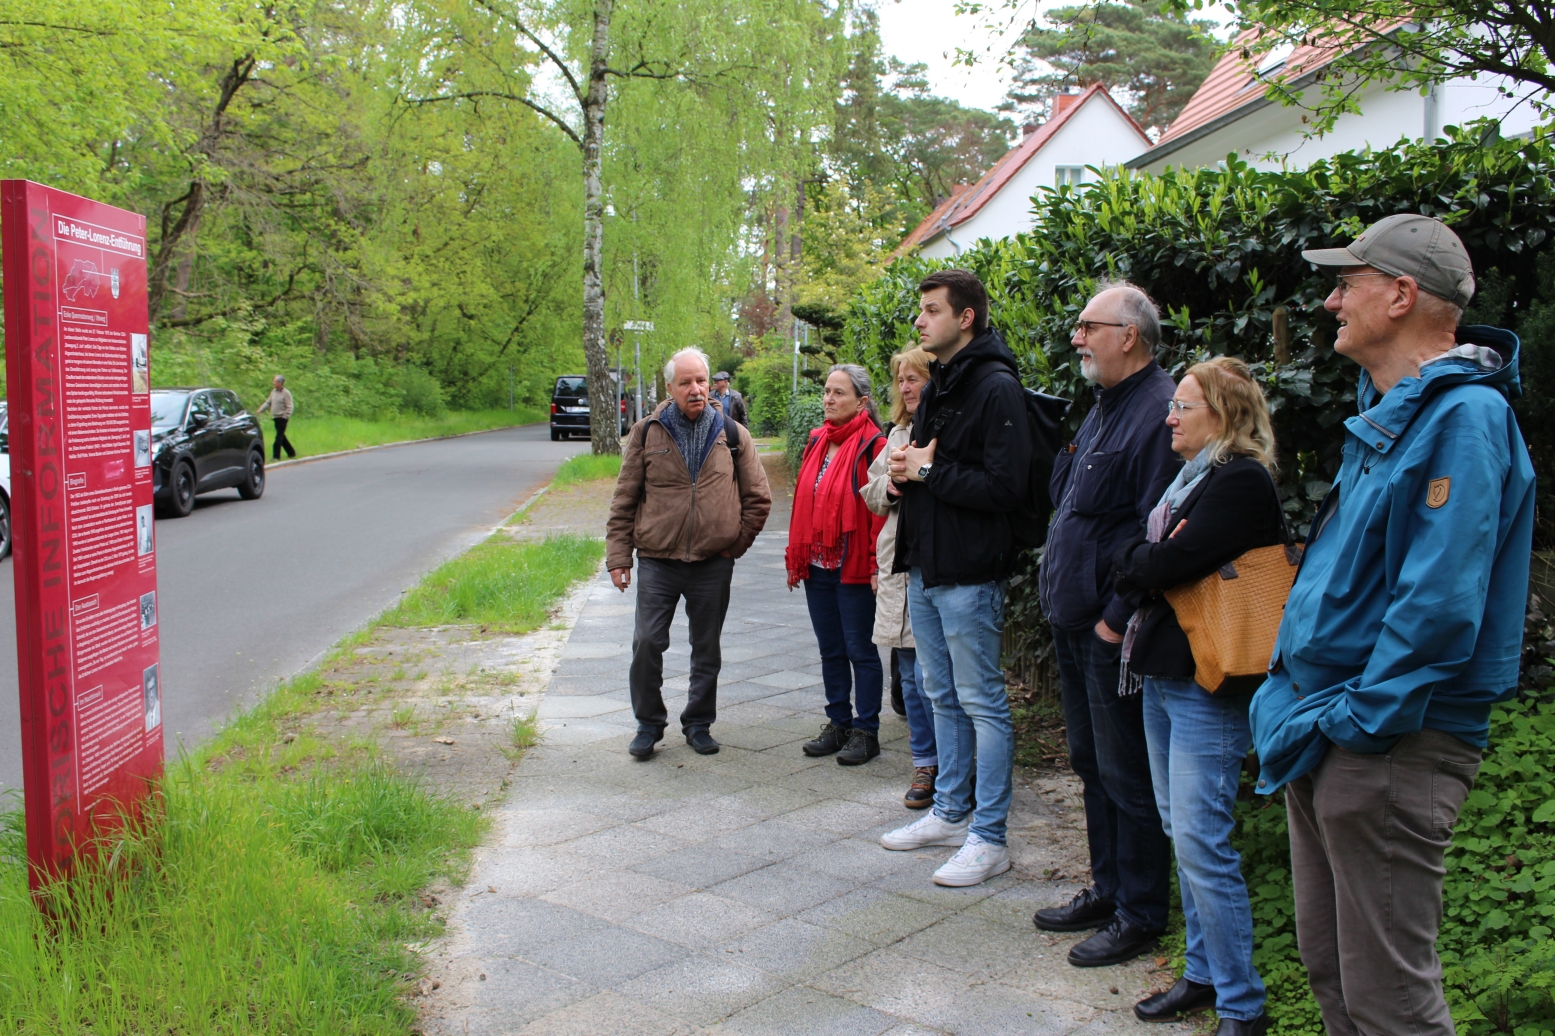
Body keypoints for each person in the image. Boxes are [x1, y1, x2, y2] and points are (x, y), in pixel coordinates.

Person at [1251, 214, 1534, 1036]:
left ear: (1402, 295)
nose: (1333, 300)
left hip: (1384, 741)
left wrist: (1359, 724)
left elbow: (1438, 605)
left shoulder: (1464, 419)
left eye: (1348, 283)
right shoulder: (1392, 410)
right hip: (1331, 730)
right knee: (1335, 974)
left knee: (1390, 1003)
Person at [1112, 357, 1284, 1033]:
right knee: (1180, 833)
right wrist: (1141, 561)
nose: (1169, 416)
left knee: (1201, 841)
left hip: (1207, 685)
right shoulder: (1193, 480)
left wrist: (1138, 560)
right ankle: (1202, 975)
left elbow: (1157, 563)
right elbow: (1148, 562)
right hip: (1166, 674)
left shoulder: (1238, 481)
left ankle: (1242, 1004)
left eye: (1183, 406)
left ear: (1222, 413)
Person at [1034, 281, 1180, 966]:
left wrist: (1114, 622)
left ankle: (1140, 912)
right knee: (1092, 764)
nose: (1077, 337)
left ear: (1129, 334)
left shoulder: (1158, 411)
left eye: (1088, 326)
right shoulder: (1104, 405)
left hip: (1107, 627)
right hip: (1074, 618)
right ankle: (1107, 888)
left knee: (1125, 773)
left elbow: (1159, 529)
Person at [877, 268, 1032, 888]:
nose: (920, 320)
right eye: (921, 310)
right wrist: (904, 470)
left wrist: (927, 474)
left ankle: (989, 836)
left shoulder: (996, 387)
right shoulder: (942, 383)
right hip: (928, 566)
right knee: (941, 697)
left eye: (932, 310)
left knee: (983, 705)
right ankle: (948, 813)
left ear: (966, 317)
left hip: (970, 572)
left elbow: (1007, 487)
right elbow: (925, 466)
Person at [606, 347, 773, 760]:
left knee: (706, 648)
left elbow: (759, 499)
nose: (696, 389)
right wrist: (619, 557)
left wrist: (733, 544)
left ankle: (699, 724)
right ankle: (648, 725)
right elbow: (624, 500)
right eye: (685, 382)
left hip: (713, 563)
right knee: (646, 642)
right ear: (670, 388)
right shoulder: (647, 432)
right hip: (658, 561)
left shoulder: (732, 434)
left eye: (700, 380)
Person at [787, 365, 888, 765]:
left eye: (838, 393)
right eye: (827, 392)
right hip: (815, 563)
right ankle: (838, 722)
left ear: (862, 401)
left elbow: (879, 513)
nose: (828, 399)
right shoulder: (816, 440)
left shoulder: (874, 445)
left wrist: (875, 563)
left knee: (860, 649)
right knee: (830, 648)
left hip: (853, 565)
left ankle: (867, 730)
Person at [861, 346, 948, 808]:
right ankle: (926, 762)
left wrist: (924, 471)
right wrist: (893, 482)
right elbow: (871, 494)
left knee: (939, 678)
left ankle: (953, 766)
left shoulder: (946, 429)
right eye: (902, 379)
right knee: (910, 677)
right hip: (900, 567)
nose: (908, 386)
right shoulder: (895, 434)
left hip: (938, 566)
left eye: (917, 377)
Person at [256, 375, 296, 460]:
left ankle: (276, 456)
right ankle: (291, 452)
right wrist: (261, 409)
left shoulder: (286, 393)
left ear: (280, 383)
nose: (273, 383)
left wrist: (285, 416)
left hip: (282, 418)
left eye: (275, 381)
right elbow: (268, 402)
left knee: (278, 438)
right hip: (276, 418)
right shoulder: (273, 392)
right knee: (282, 437)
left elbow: (290, 406)